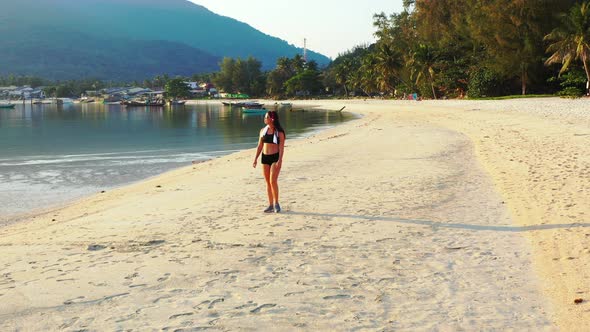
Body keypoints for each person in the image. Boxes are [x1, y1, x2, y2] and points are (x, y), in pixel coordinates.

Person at [253, 111, 286, 213]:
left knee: (273, 181)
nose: (264, 118)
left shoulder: (279, 133)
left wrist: (280, 160)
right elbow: (260, 146)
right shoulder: (263, 131)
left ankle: (276, 203)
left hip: (275, 158)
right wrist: (255, 159)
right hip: (265, 158)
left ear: (272, 119)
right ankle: (270, 205)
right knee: (267, 182)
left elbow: (281, 148)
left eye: (266, 117)